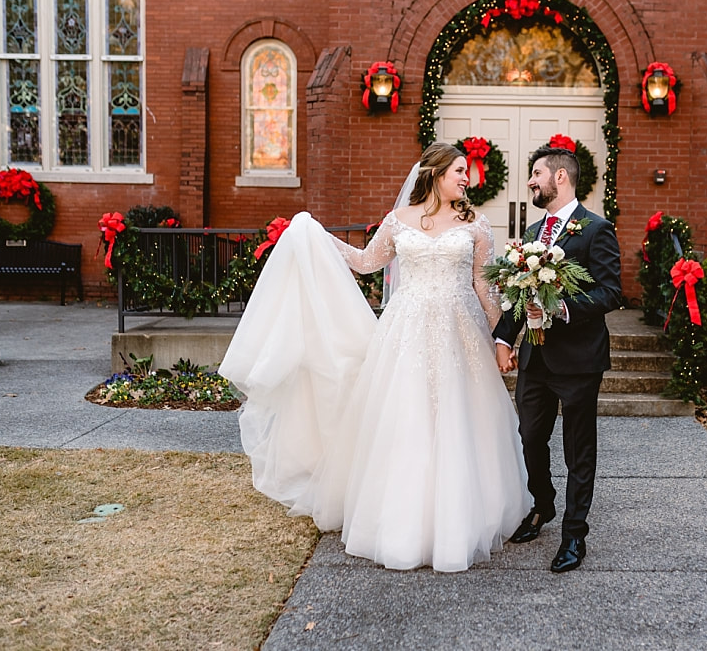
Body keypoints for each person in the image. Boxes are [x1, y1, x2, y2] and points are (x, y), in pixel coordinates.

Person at [219, 142, 531, 573]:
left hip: (461, 334)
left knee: (463, 418)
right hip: (406, 332)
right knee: (407, 419)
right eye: (459, 170)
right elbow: (367, 262)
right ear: (436, 174)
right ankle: (404, 521)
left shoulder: (476, 224)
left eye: (466, 171)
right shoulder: (399, 220)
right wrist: (316, 236)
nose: (466, 177)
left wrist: (504, 338)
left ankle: (464, 516)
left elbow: (484, 286)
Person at [493, 146, 622, 573]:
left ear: (560, 177)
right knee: (529, 438)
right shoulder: (531, 233)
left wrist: (563, 308)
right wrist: (504, 339)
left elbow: (609, 292)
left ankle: (574, 535)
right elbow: (518, 292)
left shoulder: (596, 230)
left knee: (577, 450)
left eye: (536, 174)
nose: (530, 182)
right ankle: (543, 506)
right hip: (535, 358)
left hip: (579, 360)